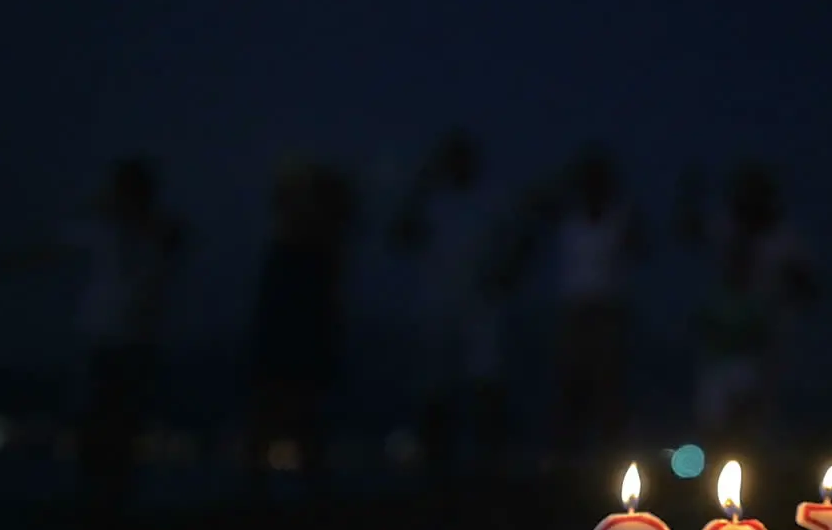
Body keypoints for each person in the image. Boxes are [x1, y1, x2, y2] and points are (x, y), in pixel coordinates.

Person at [0, 156, 185, 529]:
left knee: (123, 420)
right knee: (95, 419)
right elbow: (47, 251)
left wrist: (125, 214)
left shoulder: (159, 230)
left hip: (136, 341)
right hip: (101, 337)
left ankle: (113, 500)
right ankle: (92, 498)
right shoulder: (102, 228)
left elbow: (176, 239)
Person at [391, 130, 538, 489]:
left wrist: (507, 275)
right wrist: (420, 184)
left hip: (482, 307)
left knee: (486, 385)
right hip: (436, 306)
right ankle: (434, 466)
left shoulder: (492, 199)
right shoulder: (431, 200)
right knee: (435, 389)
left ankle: (489, 465)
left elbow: (523, 236)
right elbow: (400, 233)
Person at [679, 162, 816, 449]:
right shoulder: (726, 228)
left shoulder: (782, 240)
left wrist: (786, 288)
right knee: (713, 420)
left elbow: (809, 286)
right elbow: (687, 228)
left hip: (763, 344)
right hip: (722, 341)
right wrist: (689, 193)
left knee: (755, 420)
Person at [246, 154, 357, 504]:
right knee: (287, 410)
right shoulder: (311, 249)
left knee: (292, 409)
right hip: (290, 331)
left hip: (298, 332)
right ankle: (284, 488)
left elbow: (326, 302)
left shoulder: (313, 250)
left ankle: (292, 489)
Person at [549, 144, 646, 467]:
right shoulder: (568, 218)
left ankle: (610, 458)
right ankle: (569, 458)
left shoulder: (619, 219)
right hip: (575, 311)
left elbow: (642, 247)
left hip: (608, 312)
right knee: (572, 385)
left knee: (608, 387)